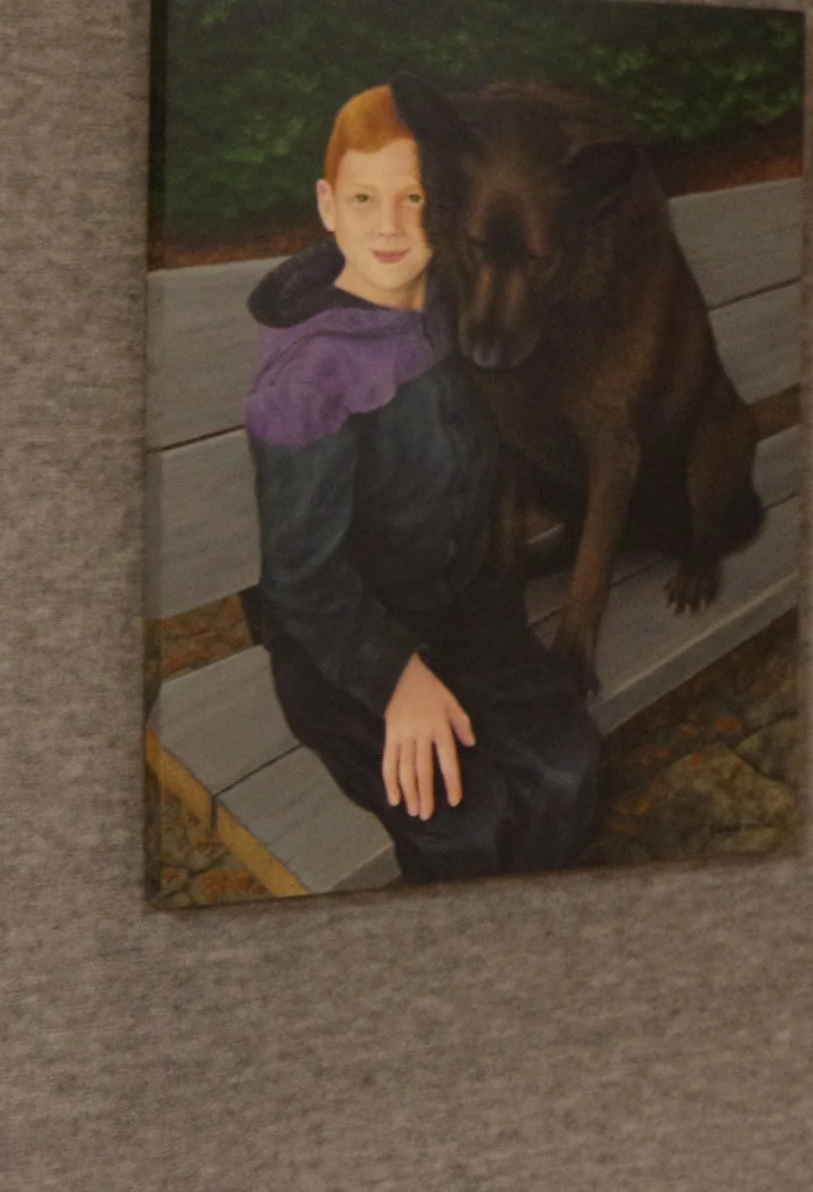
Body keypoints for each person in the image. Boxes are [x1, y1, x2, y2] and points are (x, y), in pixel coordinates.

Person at [242, 85, 601, 883]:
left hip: (469, 614)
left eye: (416, 197)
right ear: (327, 206)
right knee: (465, 824)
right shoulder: (313, 376)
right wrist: (398, 678)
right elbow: (302, 580)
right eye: (365, 198)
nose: (391, 224)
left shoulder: (456, 308)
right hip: (347, 648)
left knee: (568, 769)